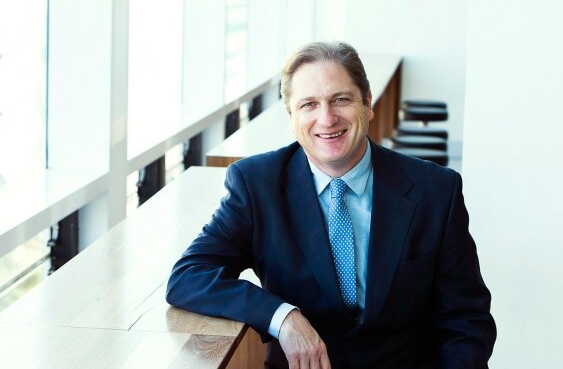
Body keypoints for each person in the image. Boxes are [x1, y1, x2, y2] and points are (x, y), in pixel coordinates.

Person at [166, 41, 496, 368]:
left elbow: (467, 320)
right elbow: (189, 276)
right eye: (309, 104)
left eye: (340, 99)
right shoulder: (257, 185)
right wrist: (283, 317)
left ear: (367, 103)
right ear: (292, 115)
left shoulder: (435, 190)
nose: (327, 118)